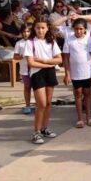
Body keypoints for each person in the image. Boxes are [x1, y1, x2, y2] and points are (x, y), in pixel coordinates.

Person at [24, 16, 62, 144]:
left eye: (43, 28)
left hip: (49, 72)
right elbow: (31, 63)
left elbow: (59, 59)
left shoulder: (51, 42)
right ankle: (36, 131)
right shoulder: (30, 43)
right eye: (38, 28)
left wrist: (45, 61)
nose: (40, 30)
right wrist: (47, 64)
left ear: (47, 28)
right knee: (41, 103)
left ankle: (44, 128)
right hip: (37, 73)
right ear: (34, 28)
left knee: (49, 103)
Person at [62, 18, 91, 128]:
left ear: (85, 29)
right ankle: (80, 119)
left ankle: (89, 117)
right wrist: (67, 73)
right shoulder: (69, 40)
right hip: (75, 73)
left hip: (87, 72)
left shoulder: (89, 40)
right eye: (76, 29)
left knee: (87, 93)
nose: (79, 31)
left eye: (81, 29)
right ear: (73, 29)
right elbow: (66, 58)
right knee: (77, 93)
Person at [13, 25, 33, 114]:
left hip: (35, 68)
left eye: (28, 31)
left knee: (37, 87)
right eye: (24, 32)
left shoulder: (34, 42)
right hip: (24, 68)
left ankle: (39, 104)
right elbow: (15, 56)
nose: (26, 33)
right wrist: (22, 56)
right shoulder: (19, 43)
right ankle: (27, 105)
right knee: (27, 87)